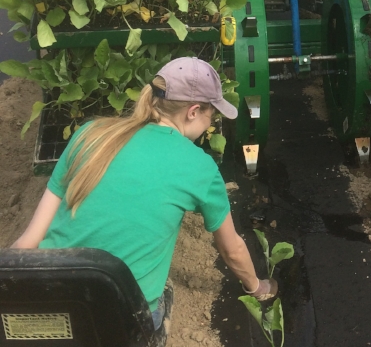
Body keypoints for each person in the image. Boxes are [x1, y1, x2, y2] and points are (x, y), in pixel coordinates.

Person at [11, 57, 277, 330]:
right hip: (121, 321)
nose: (210, 124)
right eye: (212, 115)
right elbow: (231, 249)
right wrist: (257, 287)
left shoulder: (90, 134)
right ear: (193, 111)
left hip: (49, 306)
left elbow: (29, 241)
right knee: (164, 291)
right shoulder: (200, 167)